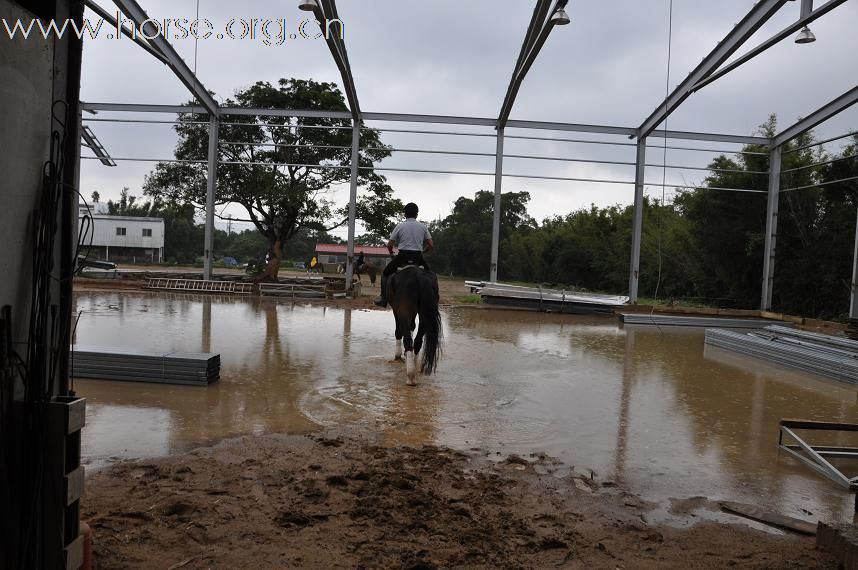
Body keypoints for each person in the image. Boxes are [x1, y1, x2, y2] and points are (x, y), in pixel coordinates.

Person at [374, 202, 433, 307]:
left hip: (402, 257)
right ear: (417, 214)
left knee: (385, 274)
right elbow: (431, 245)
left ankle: (383, 298)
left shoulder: (400, 226)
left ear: (405, 214)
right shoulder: (423, 227)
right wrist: (423, 252)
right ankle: (434, 297)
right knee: (431, 275)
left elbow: (389, 245)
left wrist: (391, 253)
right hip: (418, 257)